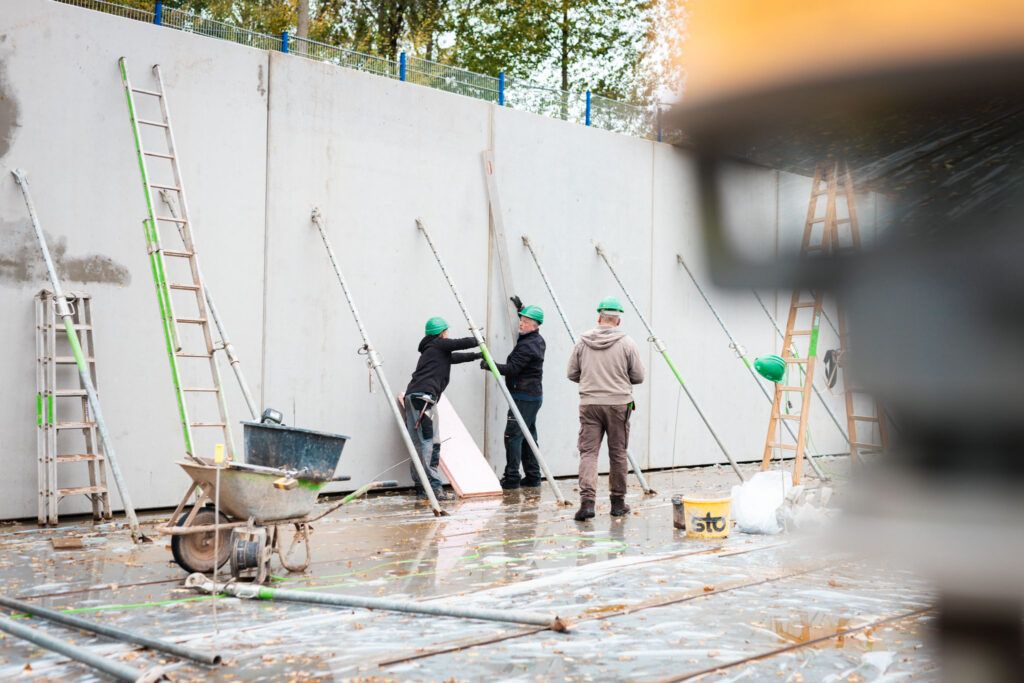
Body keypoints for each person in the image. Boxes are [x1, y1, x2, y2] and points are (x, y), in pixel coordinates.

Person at [566, 296, 645, 521]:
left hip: (590, 404)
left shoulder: (582, 342)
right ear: (618, 321)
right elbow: (639, 376)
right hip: (619, 404)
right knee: (618, 452)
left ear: (599, 318)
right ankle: (618, 503)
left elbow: (571, 373)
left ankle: (587, 503)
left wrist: (591, 381)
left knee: (588, 452)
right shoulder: (627, 343)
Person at [404, 316, 481, 501]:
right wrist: (478, 339)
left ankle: (422, 487)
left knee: (418, 444)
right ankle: (435, 489)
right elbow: (458, 344)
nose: (448, 335)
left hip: (412, 397)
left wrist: (476, 355)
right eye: (447, 332)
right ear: (442, 333)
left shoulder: (431, 350)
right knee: (431, 443)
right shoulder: (438, 344)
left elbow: (454, 357)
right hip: (424, 399)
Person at [482, 298, 546, 489]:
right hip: (531, 397)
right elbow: (528, 321)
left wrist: (489, 364)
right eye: (521, 320)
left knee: (512, 436)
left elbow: (512, 369)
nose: (521, 324)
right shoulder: (535, 339)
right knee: (528, 437)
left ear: (535, 326)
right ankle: (533, 477)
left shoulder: (528, 346)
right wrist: (522, 309)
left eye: (525, 322)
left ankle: (511, 478)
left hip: (523, 398)